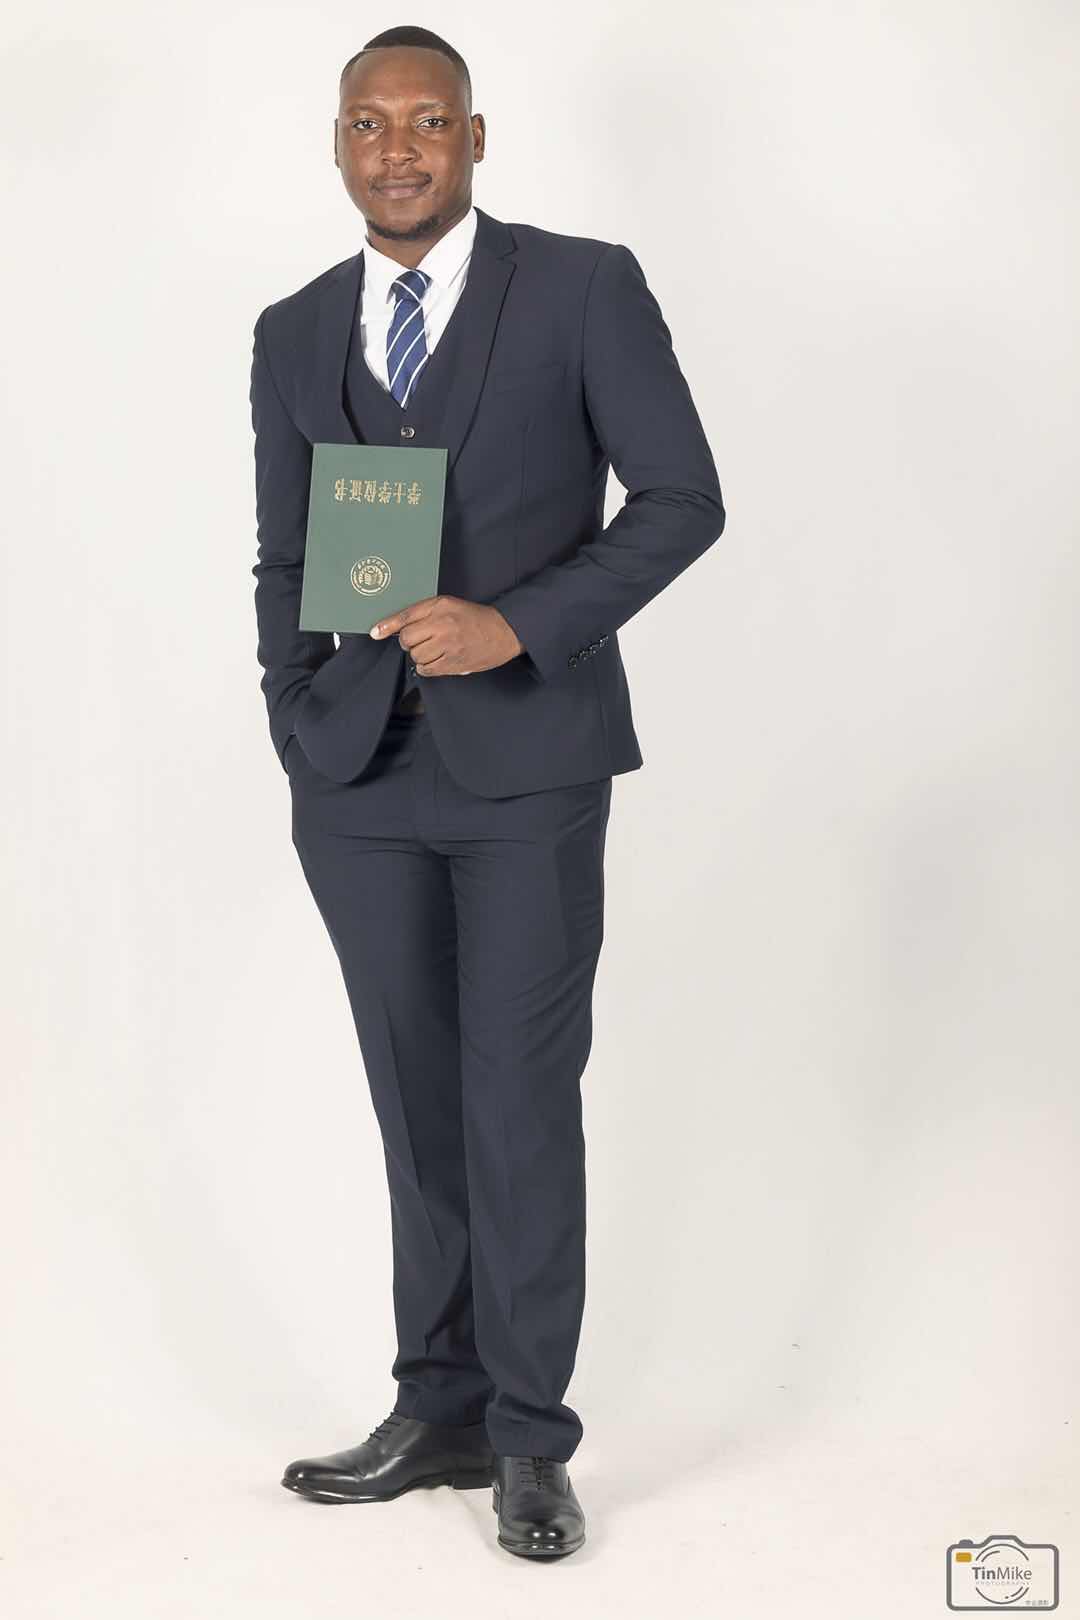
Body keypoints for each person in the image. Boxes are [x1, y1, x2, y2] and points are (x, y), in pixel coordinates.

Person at [249, 23, 725, 1560]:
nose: (397, 149)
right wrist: (295, 716)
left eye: (427, 121)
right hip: (358, 779)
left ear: (474, 137)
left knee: (517, 1106)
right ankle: (437, 1405)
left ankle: (529, 1438)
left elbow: (682, 498)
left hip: (528, 771)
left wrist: (517, 625)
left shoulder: (581, 288)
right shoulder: (294, 328)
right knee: (416, 1109)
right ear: (339, 144)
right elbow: (283, 552)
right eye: (368, 124)